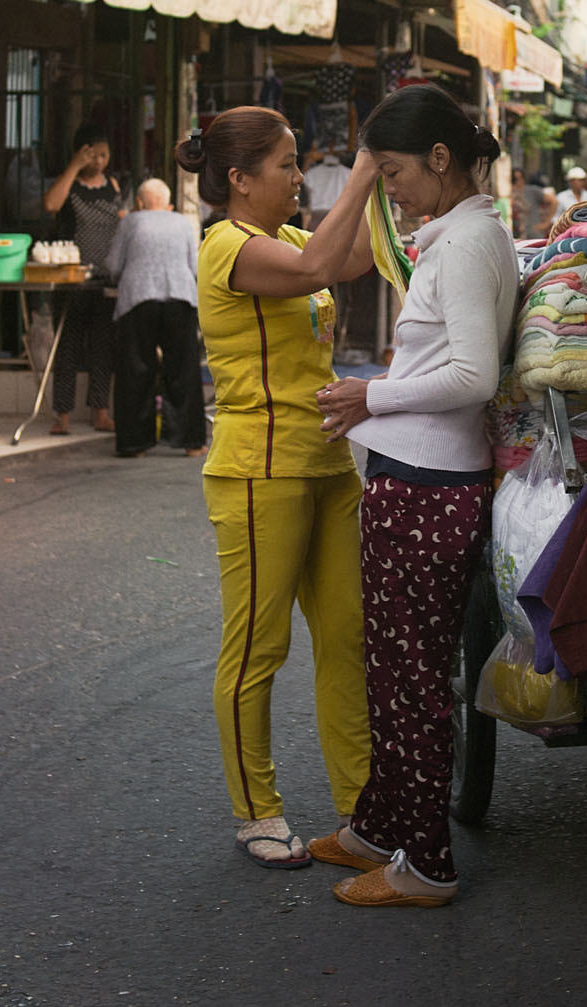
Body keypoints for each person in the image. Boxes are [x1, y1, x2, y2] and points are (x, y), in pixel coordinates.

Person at [310, 85, 519, 909]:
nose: (388, 188)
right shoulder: (463, 233)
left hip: (429, 487)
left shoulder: (464, 244)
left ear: (439, 159)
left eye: (392, 171)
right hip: (419, 478)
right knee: (394, 667)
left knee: (413, 680)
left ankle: (425, 863)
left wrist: (372, 394)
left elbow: (473, 375)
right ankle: (379, 826)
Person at [179, 106, 381, 871]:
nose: (299, 177)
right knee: (259, 648)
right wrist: (365, 166)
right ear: (238, 178)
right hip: (260, 469)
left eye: (299, 162)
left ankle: (361, 805)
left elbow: (355, 255)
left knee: (348, 637)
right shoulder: (226, 247)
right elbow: (320, 268)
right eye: (287, 164)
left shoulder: (293, 237)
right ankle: (256, 810)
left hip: (329, 464)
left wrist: (387, 182)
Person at [107, 178, 205, 459]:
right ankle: (192, 442)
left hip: (139, 299)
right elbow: (194, 266)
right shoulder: (182, 223)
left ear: (139, 203)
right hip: (180, 298)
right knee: (183, 369)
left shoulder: (130, 222)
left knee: (136, 369)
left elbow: (113, 265)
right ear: (168, 204)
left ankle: (134, 444)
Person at [41, 125, 125, 436]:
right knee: (68, 346)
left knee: (103, 346)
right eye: (93, 155)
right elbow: (51, 205)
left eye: (104, 155)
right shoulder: (69, 185)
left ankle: (100, 412)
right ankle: (62, 415)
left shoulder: (112, 185)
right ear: (79, 153)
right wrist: (74, 166)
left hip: (105, 279)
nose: (99, 161)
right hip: (72, 281)